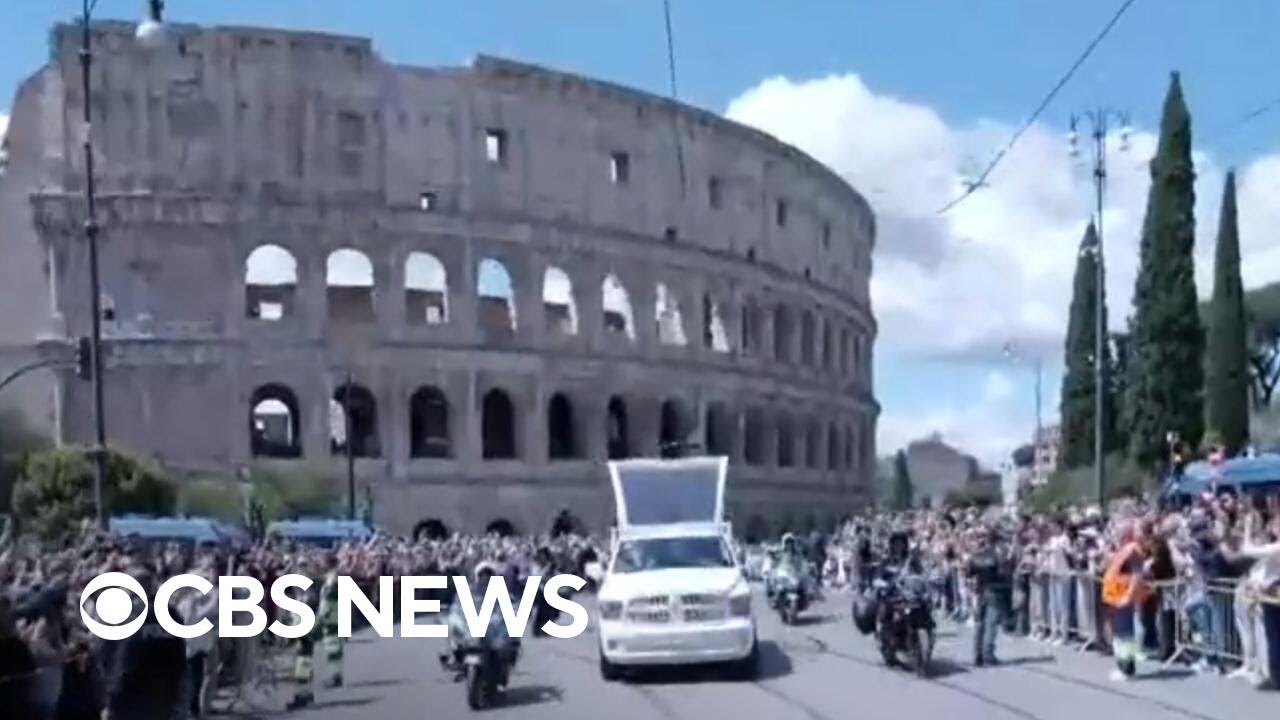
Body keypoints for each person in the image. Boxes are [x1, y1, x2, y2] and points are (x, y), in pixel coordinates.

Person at [1101, 526, 1150, 681]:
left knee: (1125, 634)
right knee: (1120, 635)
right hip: (1115, 598)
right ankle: (1122, 666)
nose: (1114, 533)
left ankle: (1128, 669)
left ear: (1126, 533)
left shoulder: (1132, 549)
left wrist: (1129, 595)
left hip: (1123, 598)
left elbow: (1137, 574)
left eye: (1117, 530)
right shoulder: (1122, 549)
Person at [968, 526, 1011, 666]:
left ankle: (977, 654)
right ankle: (988, 653)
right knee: (991, 624)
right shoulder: (999, 555)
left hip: (980, 591)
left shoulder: (979, 554)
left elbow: (969, 571)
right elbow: (1003, 573)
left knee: (980, 623)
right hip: (994, 591)